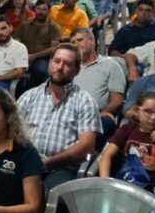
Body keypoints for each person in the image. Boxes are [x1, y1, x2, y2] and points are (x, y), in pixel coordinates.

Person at [17, 44, 101, 189]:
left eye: (67, 64)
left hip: (62, 168)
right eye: (56, 61)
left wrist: (47, 163)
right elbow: (11, 132)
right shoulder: (29, 96)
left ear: (77, 70)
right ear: (49, 63)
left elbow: (86, 148)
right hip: (26, 163)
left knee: (53, 193)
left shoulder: (85, 101)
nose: (60, 67)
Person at [70, 28, 125, 138]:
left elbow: (117, 100)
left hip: (97, 114)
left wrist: (102, 113)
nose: (76, 45)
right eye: (73, 42)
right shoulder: (69, 66)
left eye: (80, 40)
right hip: (70, 113)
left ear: (92, 41)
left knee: (106, 123)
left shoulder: (111, 65)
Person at [16, 0, 62, 90]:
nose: (41, 12)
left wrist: (34, 56)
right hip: (22, 56)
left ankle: (32, 92)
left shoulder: (53, 27)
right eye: (38, 8)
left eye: (44, 9)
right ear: (34, 10)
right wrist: (23, 54)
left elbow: (54, 48)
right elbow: (16, 39)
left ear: (48, 11)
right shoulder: (25, 24)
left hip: (42, 58)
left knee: (41, 71)